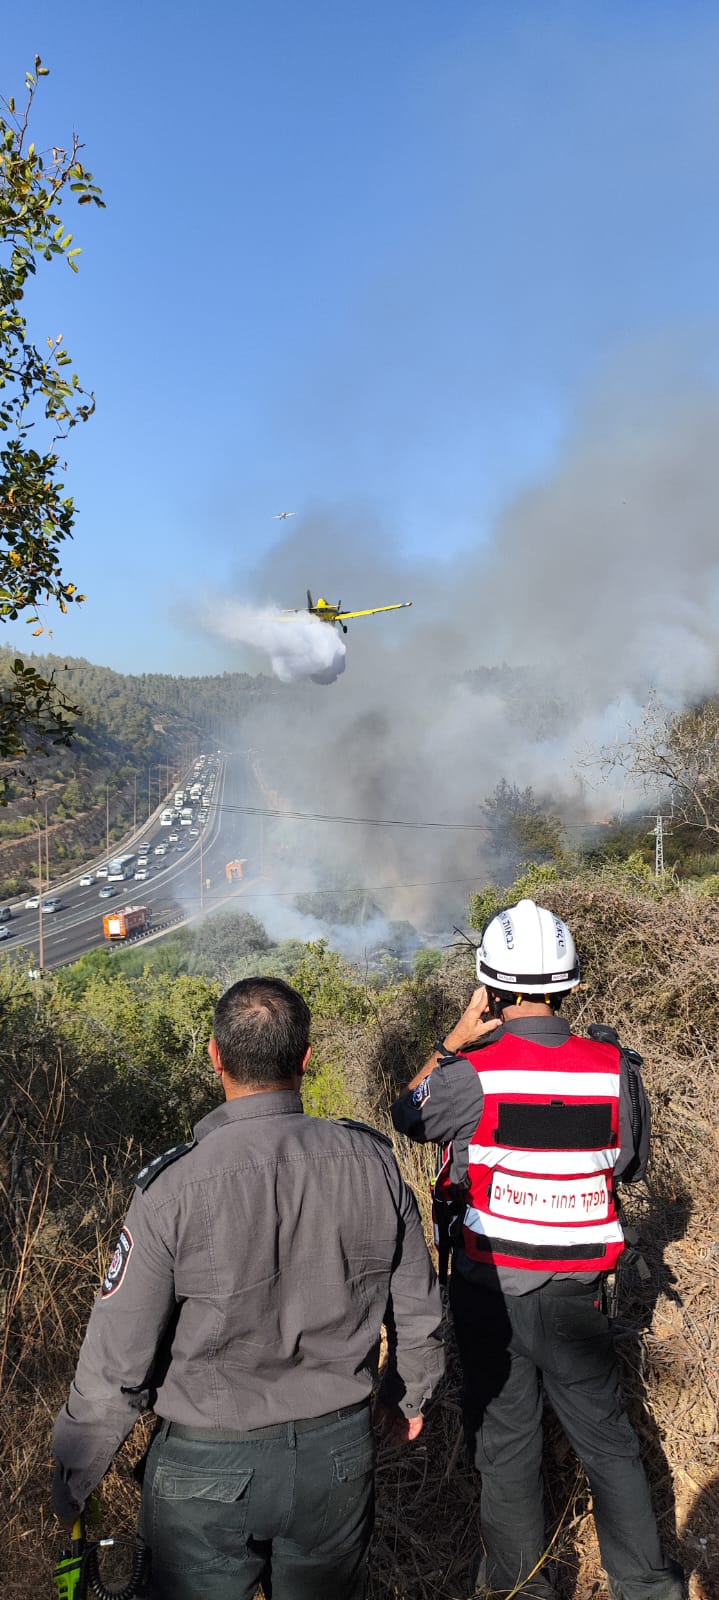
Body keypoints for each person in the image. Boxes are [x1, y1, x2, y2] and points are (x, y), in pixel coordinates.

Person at [53, 976, 444, 1600]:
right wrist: (408, 1397)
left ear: (215, 1056)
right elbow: (420, 1311)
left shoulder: (171, 1189)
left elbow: (115, 1364)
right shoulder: (372, 1161)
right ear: (306, 1058)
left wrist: (77, 1474)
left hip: (204, 1472)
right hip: (336, 1454)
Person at [391, 898, 684, 1600]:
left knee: (505, 1440)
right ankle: (644, 1583)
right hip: (579, 1288)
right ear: (569, 987)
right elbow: (626, 1164)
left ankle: (522, 1586)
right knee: (606, 1436)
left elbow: (408, 1114)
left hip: (490, 1285)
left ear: (491, 988)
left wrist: (454, 1040)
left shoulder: (469, 1073)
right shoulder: (612, 1068)